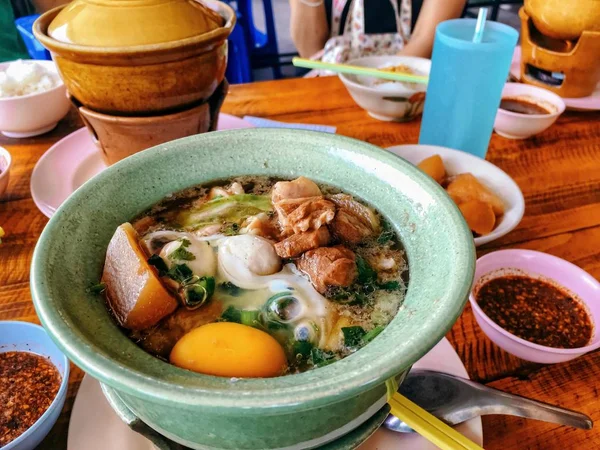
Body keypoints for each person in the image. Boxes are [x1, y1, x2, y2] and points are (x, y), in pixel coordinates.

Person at [290, 0, 466, 66]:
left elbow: (424, 40)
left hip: (408, 83)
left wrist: (369, 83)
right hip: (327, 83)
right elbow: (310, 53)